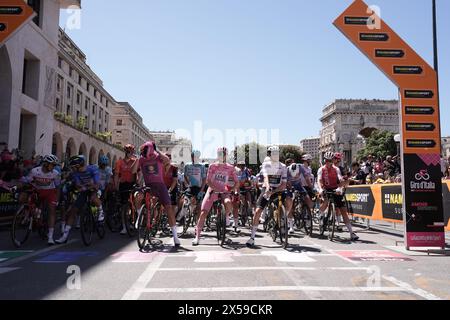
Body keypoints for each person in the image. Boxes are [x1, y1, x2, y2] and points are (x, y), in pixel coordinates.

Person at [192, 147, 239, 246]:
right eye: (219, 154)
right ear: (217, 155)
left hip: (223, 191)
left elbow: (237, 182)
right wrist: (215, 189)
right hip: (212, 190)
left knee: (228, 202)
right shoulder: (212, 166)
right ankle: (197, 237)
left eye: (223, 154)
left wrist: (231, 189)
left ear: (226, 155)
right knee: (203, 212)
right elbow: (208, 181)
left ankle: (226, 216)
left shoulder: (230, 167)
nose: (221, 155)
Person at [138, 141, 180, 247]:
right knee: (139, 198)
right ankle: (144, 220)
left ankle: (175, 237)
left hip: (161, 186)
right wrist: (139, 157)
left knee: (169, 208)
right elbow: (134, 170)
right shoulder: (142, 159)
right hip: (149, 186)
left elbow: (167, 160)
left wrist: (157, 150)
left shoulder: (158, 157)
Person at [246, 146, 290, 247]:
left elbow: (283, 184)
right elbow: (265, 178)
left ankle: (283, 219)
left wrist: (275, 190)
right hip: (267, 189)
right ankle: (252, 237)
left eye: (277, 154)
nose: (275, 156)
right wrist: (268, 188)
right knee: (257, 211)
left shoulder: (283, 166)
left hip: (278, 189)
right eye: (273, 154)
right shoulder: (266, 164)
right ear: (270, 155)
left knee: (289, 199)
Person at [56, 155, 104, 244]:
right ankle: (65, 236)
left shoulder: (92, 169)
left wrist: (89, 186)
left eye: (73, 167)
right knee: (73, 210)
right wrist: (82, 187)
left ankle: (101, 212)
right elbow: (78, 185)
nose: (72, 169)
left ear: (78, 165)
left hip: (95, 188)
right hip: (85, 189)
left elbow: (97, 184)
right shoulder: (75, 173)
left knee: (93, 197)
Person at [317, 152, 359, 241]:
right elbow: (319, 180)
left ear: (332, 161)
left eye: (330, 161)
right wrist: (320, 189)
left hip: (335, 188)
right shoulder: (321, 169)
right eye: (327, 161)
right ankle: (320, 214)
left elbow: (340, 178)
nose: (328, 162)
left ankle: (351, 233)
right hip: (325, 188)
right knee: (325, 201)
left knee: (343, 210)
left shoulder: (336, 169)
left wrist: (340, 187)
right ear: (325, 160)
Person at [21, 155, 61, 245]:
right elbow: (27, 180)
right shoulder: (35, 171)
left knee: (52, 210)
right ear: (46, 164)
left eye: (54, 165)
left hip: (50, 192)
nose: (54, 167)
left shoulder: (55, 173)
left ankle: (50, 237)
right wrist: (22, 180)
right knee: (27, 199)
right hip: (38, 191)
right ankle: (29, 216)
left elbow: (58, 187)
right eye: (52, 165)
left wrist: (57, 200)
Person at [114, 144, 139, 234]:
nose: (129, 153)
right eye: (128, 152)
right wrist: (116, 187)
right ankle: (124, 226)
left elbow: (139, 173)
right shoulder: (119, 162)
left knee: (134, 204)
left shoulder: (135, 161)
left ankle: (134, 221)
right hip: (123, 185)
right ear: (125, 152)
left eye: (131, 152)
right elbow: (116, 175)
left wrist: (139, 183)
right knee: (123, 206)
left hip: (132, 184)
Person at [286, 159, 313, 234]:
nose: (295, 176)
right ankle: (291, 226)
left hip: (298, 185)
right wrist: (291, 190)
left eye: (297, 174)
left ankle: (308, 217)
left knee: (308, 198)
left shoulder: (300, 167)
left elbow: (307, 178)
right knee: (290, 204)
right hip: (290, 185)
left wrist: (311, 187)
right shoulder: (287, 170)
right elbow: (287, 182)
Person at [183, 150, 207, 221]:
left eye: (196, 156)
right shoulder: (187, 165)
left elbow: (204, 179)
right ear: (191, 157)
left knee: (199, 205)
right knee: (185, 201)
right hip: (191, 187)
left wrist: (202, 190)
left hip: (199, 187)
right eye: (193, 156)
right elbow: (185, 175)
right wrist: (188, 183)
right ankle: (187, 214)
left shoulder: (201, 166)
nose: (194, 158)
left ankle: (198, 222)